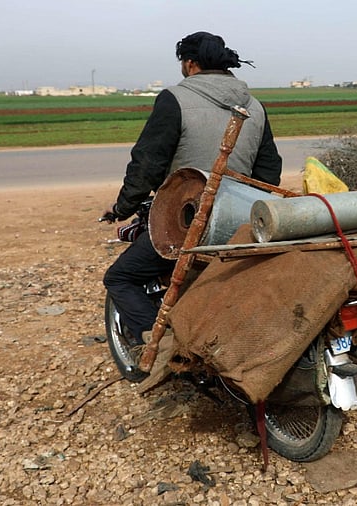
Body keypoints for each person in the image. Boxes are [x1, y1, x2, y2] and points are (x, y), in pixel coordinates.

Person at [102, 31, 283, 345]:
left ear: (190, 64)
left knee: (120, 277)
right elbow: (269, 172)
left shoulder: (175, 98)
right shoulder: (254, 105)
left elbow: (147, 164)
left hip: (187, 222)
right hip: (240, 224)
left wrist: (122, 208)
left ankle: (159, 345)